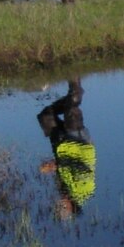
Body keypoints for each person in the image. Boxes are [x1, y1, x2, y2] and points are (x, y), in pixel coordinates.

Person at [37, 79, 96, 219]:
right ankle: (74, 85)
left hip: (62, 145)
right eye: (63, 207)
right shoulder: (85, 191)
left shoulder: (63, 190)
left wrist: (51, 165)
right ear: (71, 207)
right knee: (71, 111)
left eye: (58, 206)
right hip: (80, 143)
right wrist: (56, 165)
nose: (60, 203)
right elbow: (80, 166)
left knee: (45, 116)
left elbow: (61, 169)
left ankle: (70, 99)